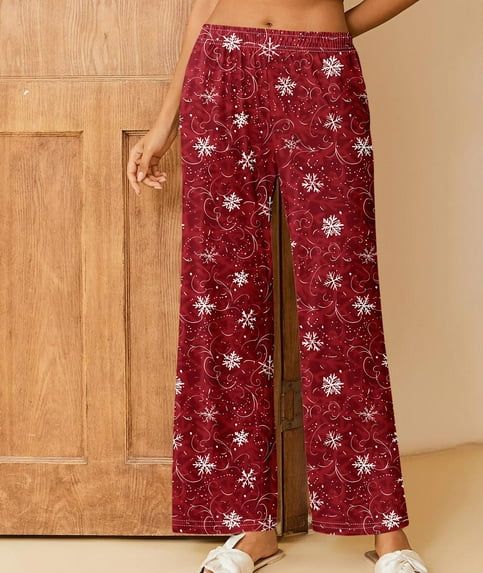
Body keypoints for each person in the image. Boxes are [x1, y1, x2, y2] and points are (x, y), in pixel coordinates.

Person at [127, 1, 428, 572]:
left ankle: (387, 527)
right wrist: (167, 120)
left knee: (343, 297)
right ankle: (251, 526)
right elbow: (204, 4)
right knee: (221, 296)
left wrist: (341, 25)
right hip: (221, 66)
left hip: (321, 69)